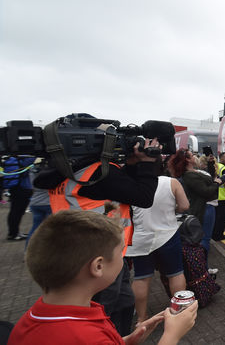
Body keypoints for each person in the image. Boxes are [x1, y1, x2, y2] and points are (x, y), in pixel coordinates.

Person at [34, 124, 161, 336]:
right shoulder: (97, 173)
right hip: (96, 259)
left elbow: (119, 189)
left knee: (123, 301)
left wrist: (131, 164)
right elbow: (144, 197)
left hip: (84, 250)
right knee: (102, 311)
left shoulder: (66, 171)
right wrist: (148, 163)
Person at [9, 210, 197, 344]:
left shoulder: (31, 321)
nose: (124, 257)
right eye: (121, 251)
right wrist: (171, 336)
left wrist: (124, 341)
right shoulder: (86, 336)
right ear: (98, 266)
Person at [127, 175, 190, 323]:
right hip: (168, 234)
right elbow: (184, 206)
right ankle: (178, 315)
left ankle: (141, 319)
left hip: (141, 237)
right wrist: (172, 209)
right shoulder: (171, 182)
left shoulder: (131, 182)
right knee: (175, 274)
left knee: (141, 277)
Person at [167, 149, 220, 254]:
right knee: (204, 239)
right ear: (187, 160)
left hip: (207, 206)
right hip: (204, 208)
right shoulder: (189, 175)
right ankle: (201, 263)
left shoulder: (194, 172)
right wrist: (217, 183)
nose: (195, 157)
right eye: (192, 156)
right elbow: (206, 191)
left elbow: (208, 178)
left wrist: (210, 163)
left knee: (205, 238)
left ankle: (202, 263)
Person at [2, 155, 35, 241]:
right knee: (17, 213)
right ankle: (14, 234)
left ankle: (13, 233)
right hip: (23, 189)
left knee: (14, 211)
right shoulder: (24, 160)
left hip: (14, 189)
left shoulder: (12, 159)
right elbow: (34, 157)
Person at [25, 163, 52, 247]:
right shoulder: (50, 171)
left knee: (35, 228)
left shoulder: (32, 170)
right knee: (51, 229)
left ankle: (28, 249)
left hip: (35, 203)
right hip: (48, 203)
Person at [212, 152, 225, 242]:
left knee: (216, 217)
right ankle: (218, 235)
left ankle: (214, 234)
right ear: (221, 158)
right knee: (222, 219)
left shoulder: (216, 166)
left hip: (215, 196)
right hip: (223, 198)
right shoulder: (224, 169)